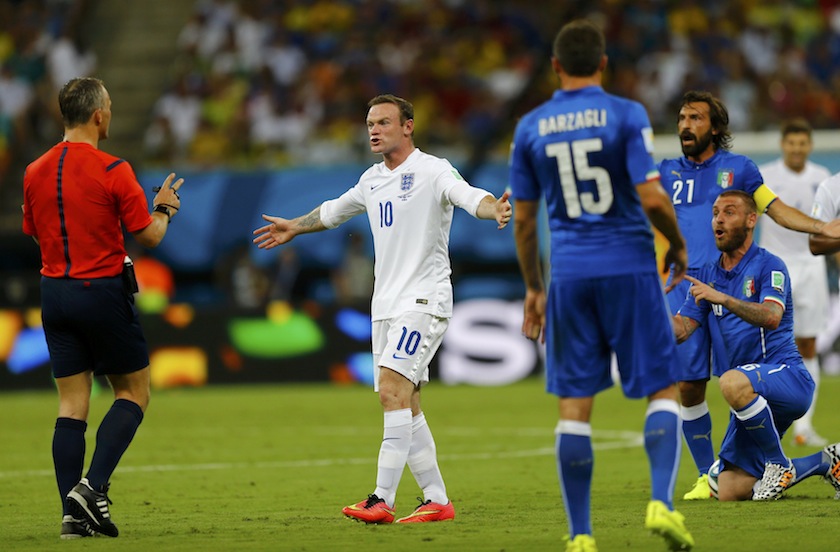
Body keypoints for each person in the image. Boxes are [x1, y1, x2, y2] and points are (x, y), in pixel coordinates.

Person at [253, 94, 511, 524]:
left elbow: (469, 196)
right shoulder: (371, 180)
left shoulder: (433, 169)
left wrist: (494, 208)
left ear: (408, 126)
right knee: (407, 404)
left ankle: (381, 499)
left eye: (384, 122)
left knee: (392, 388)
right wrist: (295, 227)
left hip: (424, 299)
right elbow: (333, 212)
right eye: (370, 123)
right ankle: (437, 500)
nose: (374, 130)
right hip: (385, 307)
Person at [510, 20, 693, 552]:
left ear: (555, 66)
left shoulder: (530, 128)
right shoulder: (625, 114)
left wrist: (533, 287)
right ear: (605, 64)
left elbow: (523, 222)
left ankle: (582, 535)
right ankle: (660, 500)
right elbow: (654, 199)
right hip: (631, 267)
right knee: (661, 387)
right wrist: (678, 246)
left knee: (575, 404)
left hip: (568, 274)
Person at [21, 77, 183, 539]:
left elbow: (33, 230)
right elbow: (149, 235)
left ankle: (73, 515)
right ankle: (91, 488)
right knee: (133, 392)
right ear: (97, 115)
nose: (109, 113)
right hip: (102, 291)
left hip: (55, 293)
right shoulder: (113, 169)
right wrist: (165, 208)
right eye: (109, 106)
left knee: (72, 404)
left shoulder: (34, 170)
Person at [658, 91, 840, 500]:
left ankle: (771, 464)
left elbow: (775, 210)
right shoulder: (665, 172)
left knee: (733, 380)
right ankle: (709, 477)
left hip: (731, 285)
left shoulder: (738, 169)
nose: (685, 125)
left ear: (716, 127)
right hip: (686, 288)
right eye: (682, 117)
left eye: (695, 118)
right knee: (688, 386)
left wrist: (821, 228)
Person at [672, 190, 840, 501]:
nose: (718, 219)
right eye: (715, 212)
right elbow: (681, 329)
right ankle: (826, 462)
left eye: (729, 212)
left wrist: (724, 299)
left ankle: (778, 463)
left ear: (752, 220)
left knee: (730, 380)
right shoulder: (708, 273)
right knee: (729, 490)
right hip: (750, 396)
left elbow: (772, 316)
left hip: (788, 378)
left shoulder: (769, 265)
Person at [757, 119, 832, 447]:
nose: (797, 148)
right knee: (769, 346)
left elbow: (832, 232)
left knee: (809, 345)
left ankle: (804, 427)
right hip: (775, 267)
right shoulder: (765, 176)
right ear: (783, 145)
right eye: (792, 143)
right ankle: (767, 422)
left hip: (812, 267)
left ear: (809, 146)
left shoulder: (822, 178)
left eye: (803, 143)